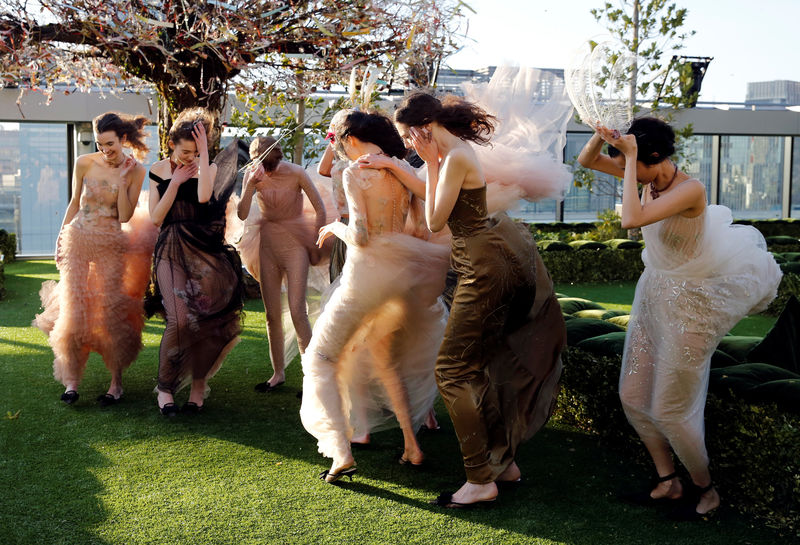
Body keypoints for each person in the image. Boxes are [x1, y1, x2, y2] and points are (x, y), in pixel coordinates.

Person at [577, 117, 781, 520]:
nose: (628, 170)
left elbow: (630, 221)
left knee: (672, 408)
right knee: (633, 396)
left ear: (654, 157)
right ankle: (668, 480)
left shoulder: (691, 189)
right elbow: (588, 161)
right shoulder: (648, 175)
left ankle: (707, 489)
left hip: (691, 308)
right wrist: (604, 134)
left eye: (635, 162)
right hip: (653, 294)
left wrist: (629, 159)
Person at [393, 92, 566, 508]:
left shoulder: (453, 159)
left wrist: (430, 163)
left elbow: (436, 220)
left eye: (407, 137)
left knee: (451, 371)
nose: (407, 146)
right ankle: (501, 464)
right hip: (487, 261)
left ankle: (479, 479)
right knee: (481, 364)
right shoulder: (457, 155)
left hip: (483, 270)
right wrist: (429, 164)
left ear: (422, 129)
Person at [300, 110, 450, 483]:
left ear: (349, 140)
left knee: (320, 358)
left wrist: (336, 226)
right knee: (385, 360)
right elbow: (421, 224)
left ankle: (341, 454)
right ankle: (412, 446)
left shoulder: (355, 173)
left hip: (364, 281)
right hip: (402, 280)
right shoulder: (403, 171)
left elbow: (363, 236)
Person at [34, 112, 152, 406]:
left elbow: (124, 216)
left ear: (123, 139)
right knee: (74, 309)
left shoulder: (136, 171)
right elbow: (74, 203)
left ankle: (116, 383)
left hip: (111, 242)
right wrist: (60, 238)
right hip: (78, 239)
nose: (105, 150)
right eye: (100, 144)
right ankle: (72, 381)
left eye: (110, 144)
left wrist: (123, 181)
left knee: (111, 312)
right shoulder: (84, 163)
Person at [148, 108, 244, 416]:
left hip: (205, 249)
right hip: (171, 247)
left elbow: (204, 197)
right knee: (178, 319)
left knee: (206, 321)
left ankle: (198, 386)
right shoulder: (159, 169)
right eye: (184, 151)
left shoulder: (209, 166)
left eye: (195, 150)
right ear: (171, 144)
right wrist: (174, 182)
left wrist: (203, 156)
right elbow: (155, 218)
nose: (188, 156)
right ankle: (165, 388)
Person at [237, 136, 327, 393]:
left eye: (267, 162)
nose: (264, 167)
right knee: (271, 313)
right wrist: (250, 187)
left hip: (295, 243)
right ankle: (277, 374)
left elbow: (320, 209)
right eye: (258, 162)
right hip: (267, 245)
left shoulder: (296, 172)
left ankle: (312, 377)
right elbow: (242, 214)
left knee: (298, 311)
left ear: (277, 156)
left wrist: (315, 240)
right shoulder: (254, 174)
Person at [317, 112, 352, 281]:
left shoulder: (360, 163)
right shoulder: (341, 165)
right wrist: (333, 138)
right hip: (344, 223)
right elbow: (322, 169)